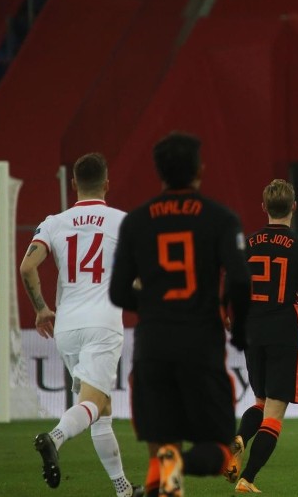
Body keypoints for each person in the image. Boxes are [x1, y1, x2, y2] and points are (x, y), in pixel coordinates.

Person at [109, 133, 251, 497]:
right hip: (200, 345)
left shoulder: (136, 222)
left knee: (163, 446)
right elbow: (239, 279)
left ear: (159, 171)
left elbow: (117, 292)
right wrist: (239, 332)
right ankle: (174, 468)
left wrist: (156, 306)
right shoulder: (220, 219)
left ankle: (167, 474)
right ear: (199, 170)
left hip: (152, 347)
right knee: (221, 450)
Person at [20, 153, 142, 497]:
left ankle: (123, 489)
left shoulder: (54, 221)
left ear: (74, 185)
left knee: (100, 408)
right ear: (107, 183)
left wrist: (42, 309)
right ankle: (54, 438)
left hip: (66, 324)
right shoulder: (123, 222)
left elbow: (27, 268)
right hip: (103, 322)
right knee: (93, 402)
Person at [225, 179, 298, 494]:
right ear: (294, 207)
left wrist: (229, 316)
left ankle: (238, 439)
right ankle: (248, 479)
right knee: (275, 410)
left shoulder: (246, 243)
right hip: (283, 329)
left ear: (264, 208)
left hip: (250, 329)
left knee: (260, 400)